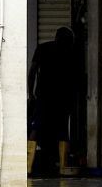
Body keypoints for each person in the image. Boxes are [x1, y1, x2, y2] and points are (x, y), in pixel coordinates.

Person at [28, 26, 78, 177]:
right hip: (59, 99)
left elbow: (32, 72)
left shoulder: (43, 49)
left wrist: (31, 93)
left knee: (36, 130)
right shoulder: (70, 52)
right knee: (61, 131)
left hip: (44, 98)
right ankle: (62, 167)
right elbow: (75, 80)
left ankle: (28, 167)